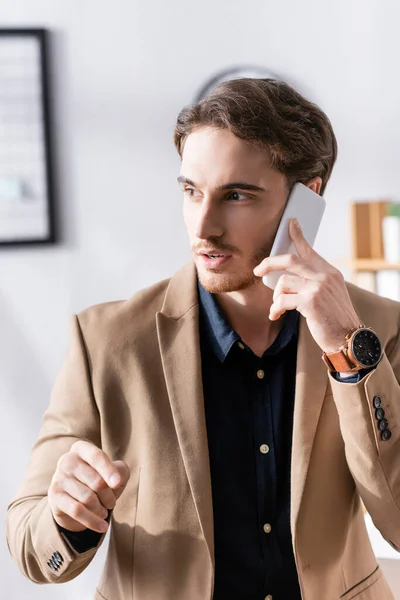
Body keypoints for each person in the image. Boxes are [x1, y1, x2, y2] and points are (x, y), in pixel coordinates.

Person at [6, 78, 400, 600]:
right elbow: (32, 549)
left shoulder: (378, 331)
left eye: (236, 195)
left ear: (309, 196)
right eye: (191, 191)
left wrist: (347, 351)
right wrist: (68, 518)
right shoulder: (105, 340)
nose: (203, 226)